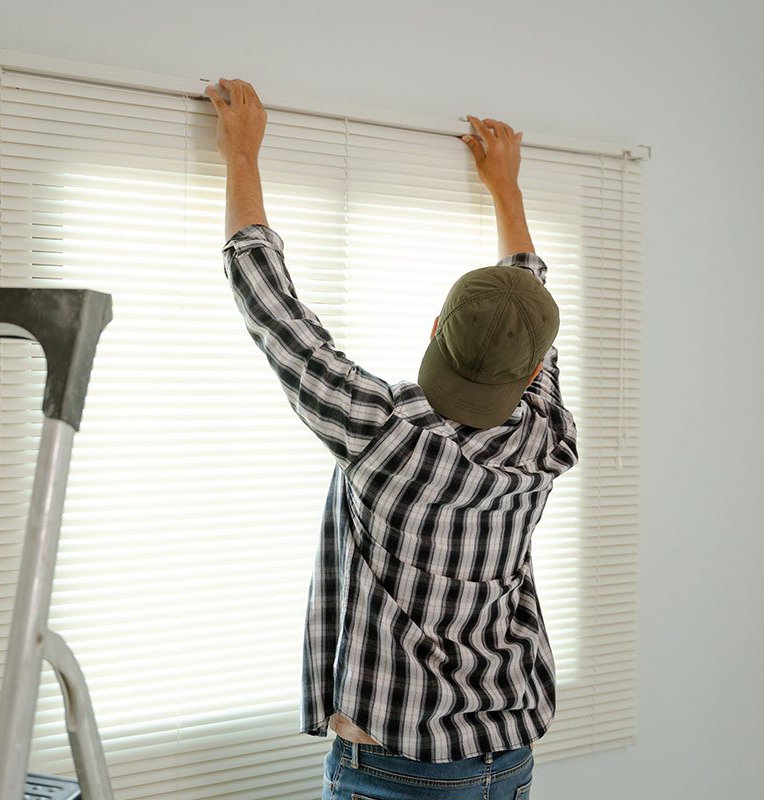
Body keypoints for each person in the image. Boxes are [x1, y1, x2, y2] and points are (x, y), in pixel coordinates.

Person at [207, 77, 577, 800]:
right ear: (533, 371)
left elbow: (275, 313)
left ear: (436, 332)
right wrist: (508, 191)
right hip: (509, 753)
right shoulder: (546, 436)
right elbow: (527, 308)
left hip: (399, 771)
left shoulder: (383, 430)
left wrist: (243, 156)